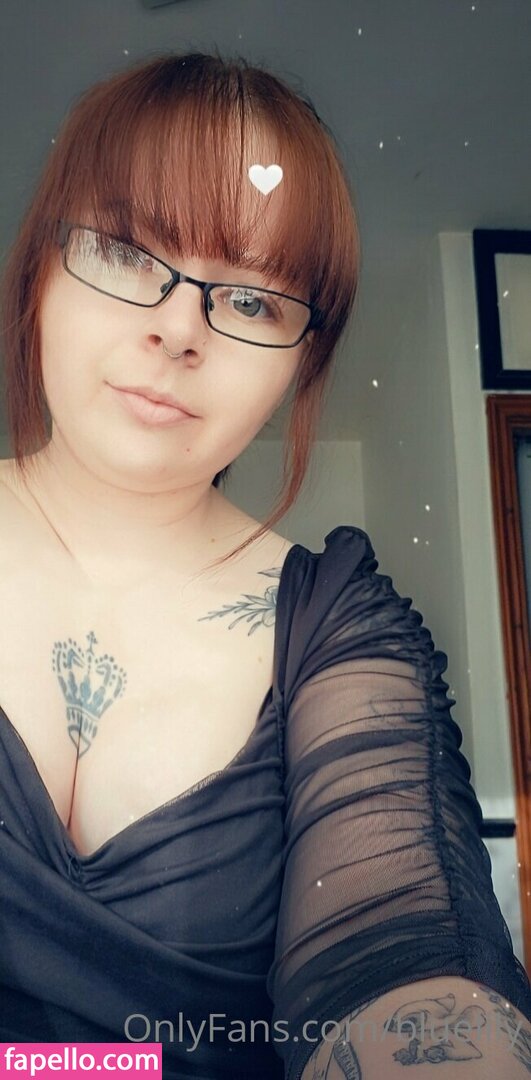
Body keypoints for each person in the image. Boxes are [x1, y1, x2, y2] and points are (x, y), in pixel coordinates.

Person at [0, 49, 529, 1080]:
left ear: (301, 361)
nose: (176, 330)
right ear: (39, 270)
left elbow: (405, 951)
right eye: (124, 251)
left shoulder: (338, 624)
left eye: (251, 301)